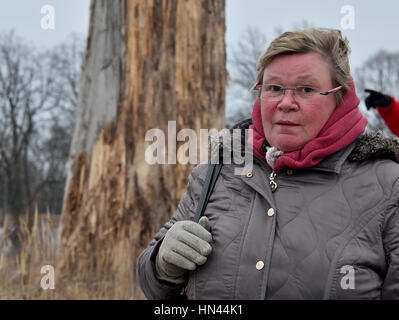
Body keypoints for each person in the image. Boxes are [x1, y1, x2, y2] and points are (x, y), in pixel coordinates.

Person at [137, 28, 399, 300]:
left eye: (306, 89)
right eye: (274, 88)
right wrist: (162, 266)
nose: (286, 103)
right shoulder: (215, 174)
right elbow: (152, 284)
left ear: (340, 97)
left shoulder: (389, 186)